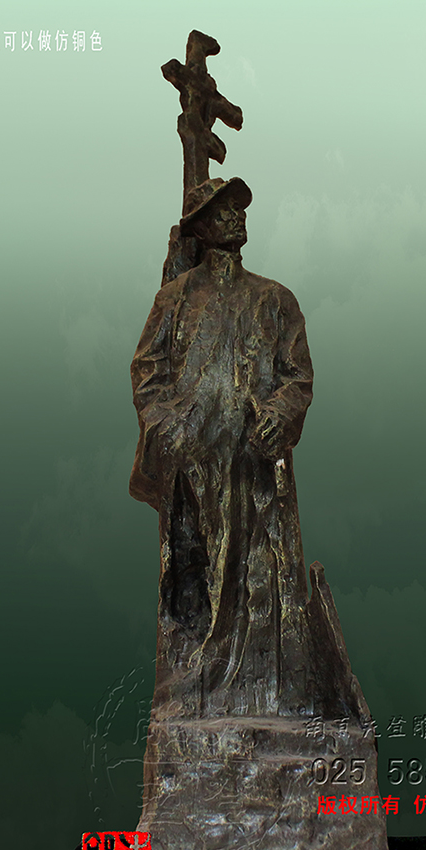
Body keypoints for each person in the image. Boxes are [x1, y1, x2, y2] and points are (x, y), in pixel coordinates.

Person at [129, 177, 315, 719]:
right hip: (195, 467)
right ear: (202, 228)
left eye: (239, 208)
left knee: (260, 579)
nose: (237, 215)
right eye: (224, 210)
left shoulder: (275, 299)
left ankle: (267, 697)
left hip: (253, 469)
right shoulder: (174, 299)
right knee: (196, 578)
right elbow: (147, 371)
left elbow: (297, 377)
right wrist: (169, 428)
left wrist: (278, 415)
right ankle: (195, 692)